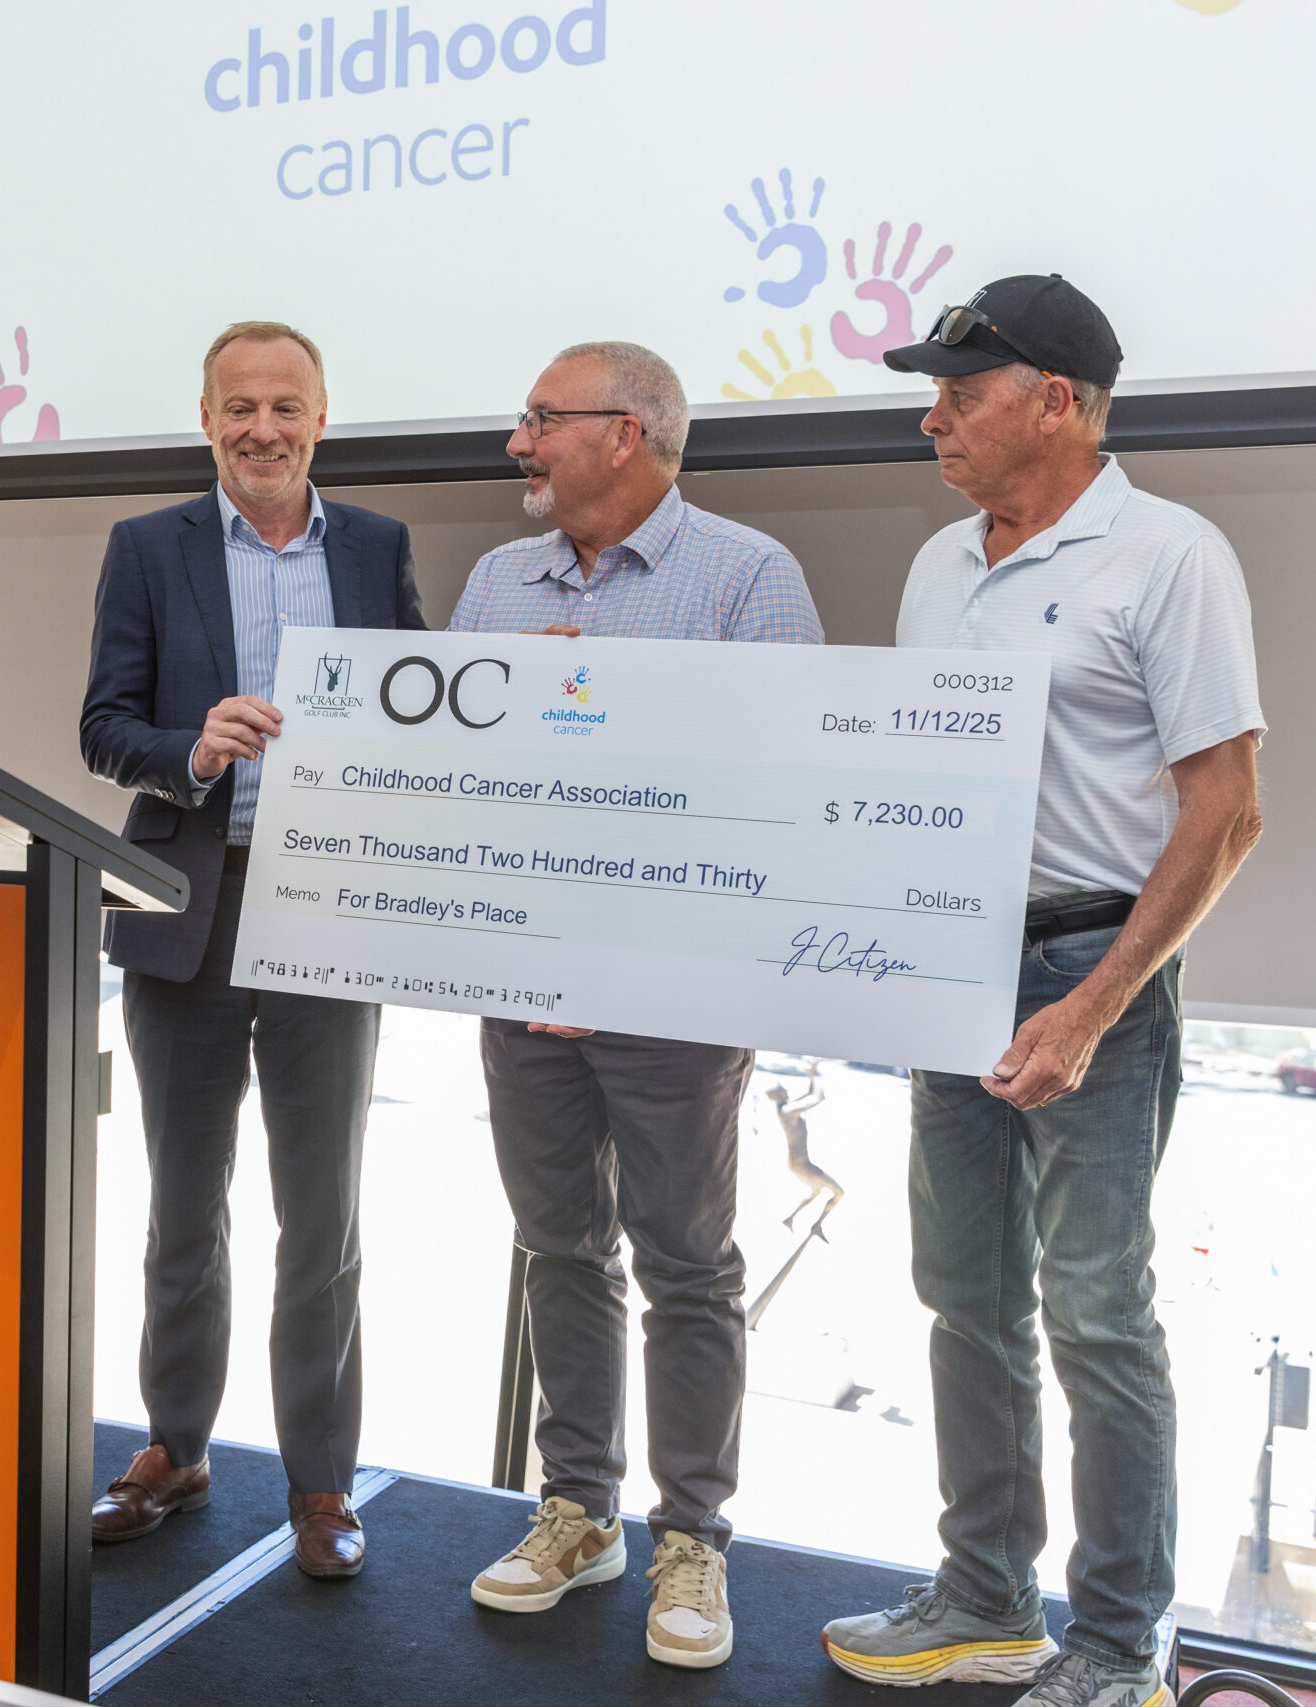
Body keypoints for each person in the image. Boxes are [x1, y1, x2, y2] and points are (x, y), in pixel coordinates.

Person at [820, 275, 1264, 1707]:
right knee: (964, 1296)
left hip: (1090, 969)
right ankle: (986, 1601)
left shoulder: (1169, 553)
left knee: (1095, 1311)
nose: (933, 417)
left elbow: (1227, 812)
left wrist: (1093, 1006)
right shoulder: (939, 564)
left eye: (962, 392)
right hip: (946, 958)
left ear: (1056, 402)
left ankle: (1122, 1644)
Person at [455, 342, 823, 1669]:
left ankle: (693, 1537)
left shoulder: (746, 576)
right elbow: (451, 778)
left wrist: (611, 721)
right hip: (523, 988)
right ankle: (578, 1510)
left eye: (540, 419)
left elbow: (784, 791)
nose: (518, 442)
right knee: (558, 1245)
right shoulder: (497, 584)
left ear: (624, 433)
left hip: (675, 997)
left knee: (684, 1260)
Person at [78, 321, 424, 1579]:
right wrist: (189, 748)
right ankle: (174, 1451)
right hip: (190, 908)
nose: (262, 429)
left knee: (320, 1216)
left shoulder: (376, 547)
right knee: (182, 1206)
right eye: (239, 407)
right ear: (207, 419)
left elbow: (421, 715)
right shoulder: (147, 546)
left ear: (320, 419)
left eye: (285, 407)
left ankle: (321, 1483)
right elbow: (103, 727)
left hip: (332, 905)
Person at [766, 1063, 843, 1230]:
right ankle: (817, 1226)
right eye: (783, 1089)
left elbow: (809, 1094)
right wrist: (820, 1078)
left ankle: (790, 1219)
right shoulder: (788, 1111)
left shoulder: (785, 1107)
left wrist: (811, 1075)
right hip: (802, 1164)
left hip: (798, 1163)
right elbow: (817, 1098)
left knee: (816, 1191)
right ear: (779, 1094)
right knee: (838, 1192)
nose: (786, 1090)